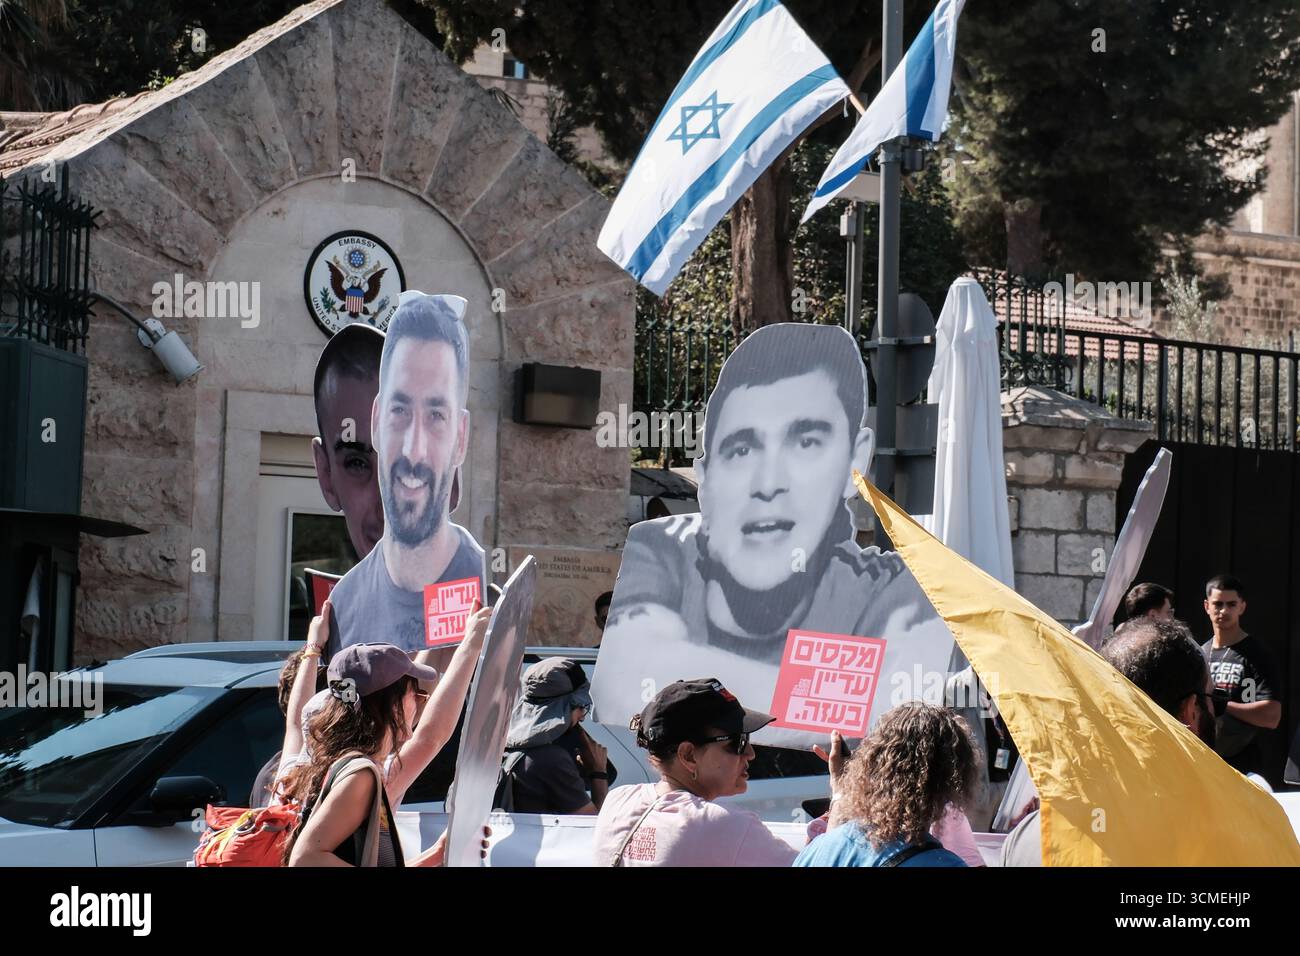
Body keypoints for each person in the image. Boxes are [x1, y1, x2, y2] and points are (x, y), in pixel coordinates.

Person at [594, 324, 955, 737]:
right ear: (706, 478)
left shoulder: (901, 593)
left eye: (806, 442)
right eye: (742, 449)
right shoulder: (660, 550)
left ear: (855, 463)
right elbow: (623, 685)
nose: (768, 483)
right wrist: (833, 696)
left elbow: (898, 724)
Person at [326, 292, 485, 658]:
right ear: (377, 422)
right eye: (400, 410)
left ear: (460, 438)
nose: (414, 450)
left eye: (435, 415)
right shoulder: (345, 602)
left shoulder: (482, 590)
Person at [1002, 616, 1221, 866]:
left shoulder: (1029, 836)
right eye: (1214, 698)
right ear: (1191, 711)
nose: (1216, 710)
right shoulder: (1233, 834)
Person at [592, 679, 804, 866]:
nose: (750, 753)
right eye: (738, 742)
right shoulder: (724, 824)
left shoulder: (619, 799)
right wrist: (838, 799)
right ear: (688, 755)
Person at [795, 703, 979, 867]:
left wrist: (840, 790)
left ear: (868, 766)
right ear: (953, 782)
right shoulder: (942, 863)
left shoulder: (817, 849)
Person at [312, 323, 386, 561]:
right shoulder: (337, 599)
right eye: (357, 463)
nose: (384, 509)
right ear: (326, 475)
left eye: (403, 464)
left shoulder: (476, 597)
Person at [497, 658, 609, 813]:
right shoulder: (552, 760)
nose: (583, 716)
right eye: (582, 706)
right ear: (560, 709)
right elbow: (593, 827)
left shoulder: (500, 747)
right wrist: (599, 773)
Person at [249, 601, 332, 807]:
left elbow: (297, 723)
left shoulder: (283, 774)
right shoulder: (359, 775)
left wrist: (314, 647)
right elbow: (424, 739)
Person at [1200, 574, 1281, 775]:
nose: (1224, 610)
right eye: (1218, 604)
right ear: (1206, 606)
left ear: (1242, 607)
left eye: (1231, 604)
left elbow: (1272, 716)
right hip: (1205, 762)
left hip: (1245, 765)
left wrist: (1224, 705)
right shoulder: (1200, 653)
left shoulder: (1257, 653)